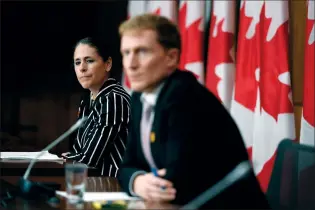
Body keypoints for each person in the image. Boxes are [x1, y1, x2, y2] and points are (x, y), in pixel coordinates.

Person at [117, 14, 270, 208]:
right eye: (126, 53)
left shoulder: (184, 96)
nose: (131, 64)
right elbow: (126, 166)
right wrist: (137, 181)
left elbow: (175, 184)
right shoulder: (139, 98)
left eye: (142, 52)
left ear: (171, 57)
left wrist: (148, 180)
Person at [62, 37, 131, 177]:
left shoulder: (114, 99)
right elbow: (80, 150)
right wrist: (72, 156)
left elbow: (90, 159)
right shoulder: (88, 99)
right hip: (93, 184)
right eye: (77, 62)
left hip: (113, 187)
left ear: (108, 64)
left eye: (89, 61)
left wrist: (70, 158)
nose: (82, 68)